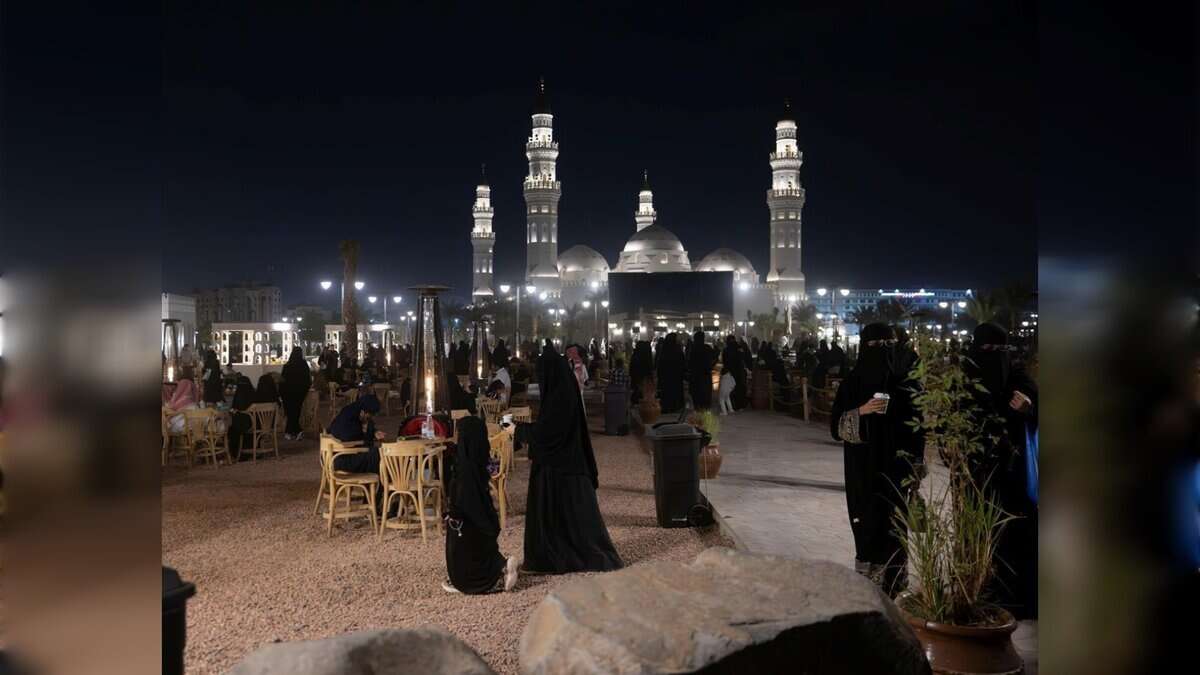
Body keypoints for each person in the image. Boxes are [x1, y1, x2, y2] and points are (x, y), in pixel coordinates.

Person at [830, 323, 922, 596]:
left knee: (894, 520)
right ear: (864, 346)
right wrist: (862, 410)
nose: (882, 351)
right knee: (866, 517)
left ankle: (895, 579)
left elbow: (918, 425)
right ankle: (868, 579)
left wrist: (916, 463)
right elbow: (836, 427)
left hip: (896, 465)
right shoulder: (852, 383)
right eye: (876, 345)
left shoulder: (906, 384)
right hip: (862, 466)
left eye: (887, 345)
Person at [523, 347, 623, 574]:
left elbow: (549, 433)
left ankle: (557, 556)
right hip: (568, 465)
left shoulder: (559, 395)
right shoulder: (564, 389)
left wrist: (521, 431)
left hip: (561, 467)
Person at [964, 322, 1038, 620]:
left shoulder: (1019, 378)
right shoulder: (965, 378)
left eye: (1000, 350)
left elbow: (1040, 409)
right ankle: (977, 592)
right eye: (988, 350)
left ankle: (1016, 600)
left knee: (1014, 534)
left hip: (1013, 473)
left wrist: (1029, 408)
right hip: (974, 473)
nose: (994, 356)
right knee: (978, 532)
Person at [443, 415, 522, 594]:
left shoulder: (462, 473)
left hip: (467, 542)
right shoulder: (479, 466)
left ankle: (498, 573)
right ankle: (501, 566)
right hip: (482, 535)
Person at [329, 394, 385, 474]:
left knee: (373, 453)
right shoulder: (350, 420)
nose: (371, 418)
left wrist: (374, 432)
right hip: (341, 459)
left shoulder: (350, 411)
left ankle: (375, 485)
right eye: (371, 415)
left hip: (335, 457)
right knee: (377, 455)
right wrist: (366, 432)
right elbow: (355, 440)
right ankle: (380, 485)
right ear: (363, 412)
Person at [281, 346, 312, 441]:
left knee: (290, 412)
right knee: (296, 412)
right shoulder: (303, 365)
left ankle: (290, 432)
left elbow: (282, 380)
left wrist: (282, 392)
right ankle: (296, 431)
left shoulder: (287, 365)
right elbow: (308, 380)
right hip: (299, 393)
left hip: (288, 394)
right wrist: (304, 390)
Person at [655, 333, 686, 414]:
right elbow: (682, 364)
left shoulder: (664, 350)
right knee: (674, 394)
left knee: (666, 394)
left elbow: (660, 366)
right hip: (675, 377)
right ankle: (674, 408)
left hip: (666, 378)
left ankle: (667, 408)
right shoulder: (677, 351)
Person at [226, 376, 256, 457]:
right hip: (257, 424)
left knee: (231, 429)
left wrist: (232, 411)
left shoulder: (239, 394)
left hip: (244, 425)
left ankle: (237, 453)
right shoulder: (254, 393)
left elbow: (234, 409)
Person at [687, 330, 716, 411]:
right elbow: (714, 357)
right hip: (705, 377)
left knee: (697, 399)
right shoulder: (707, 348)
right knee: (705, 398)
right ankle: (705, 415)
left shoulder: (693, 349)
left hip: (695, 377)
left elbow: (689, 363)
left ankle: (698, 415)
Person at [722, 335, 748, 410]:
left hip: (730, 372)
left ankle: (731, 406)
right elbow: (743, 358)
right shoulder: (739, 348)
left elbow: (725, 361)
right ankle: (740, 405)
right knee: (739, 388)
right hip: (739, 372)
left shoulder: (726, 350)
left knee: (730, 389)